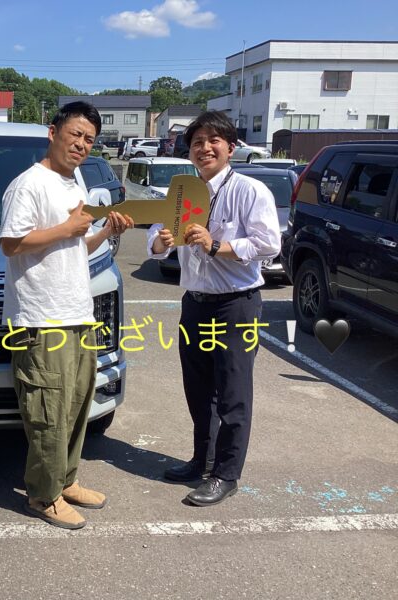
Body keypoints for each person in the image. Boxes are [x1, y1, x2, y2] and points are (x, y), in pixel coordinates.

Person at [0, 101, 133, 529]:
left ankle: (65, 480)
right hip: (41, 319)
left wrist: (104, 231)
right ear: (53, 132)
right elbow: (10, 243)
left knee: (75, 405)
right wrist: (66, 229)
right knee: (48, 411)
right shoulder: (28, 185)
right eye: (75, 134)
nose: (81, 144)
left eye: (89, 139)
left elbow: (75, 246)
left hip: (76, 313)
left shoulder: (74, 183)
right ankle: (43, 496)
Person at [147, 110, 280, 506]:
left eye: (213, 141)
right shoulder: (183, 190)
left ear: (230, 148)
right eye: (197, 142)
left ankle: (226, 474)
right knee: (198, 388)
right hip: (195, 303)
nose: (204, 148)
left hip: (236, 305)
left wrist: (217, 245)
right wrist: (160, 242)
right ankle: (201, 460)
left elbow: (269, 245)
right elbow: (156, 238)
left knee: (233, 392)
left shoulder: (250, 191)